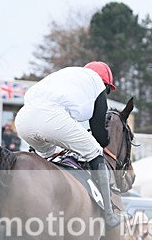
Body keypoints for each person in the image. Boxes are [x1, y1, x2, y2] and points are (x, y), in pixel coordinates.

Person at [14, 61, 120, 228]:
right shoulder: (96, 84)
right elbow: (99, 133)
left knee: (51, 155)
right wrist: (105, 140)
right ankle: (108, 214)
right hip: (51, 117)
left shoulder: (68, 76)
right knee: (95, 151)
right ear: (105, 84)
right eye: (107, 90)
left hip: (23, 120)